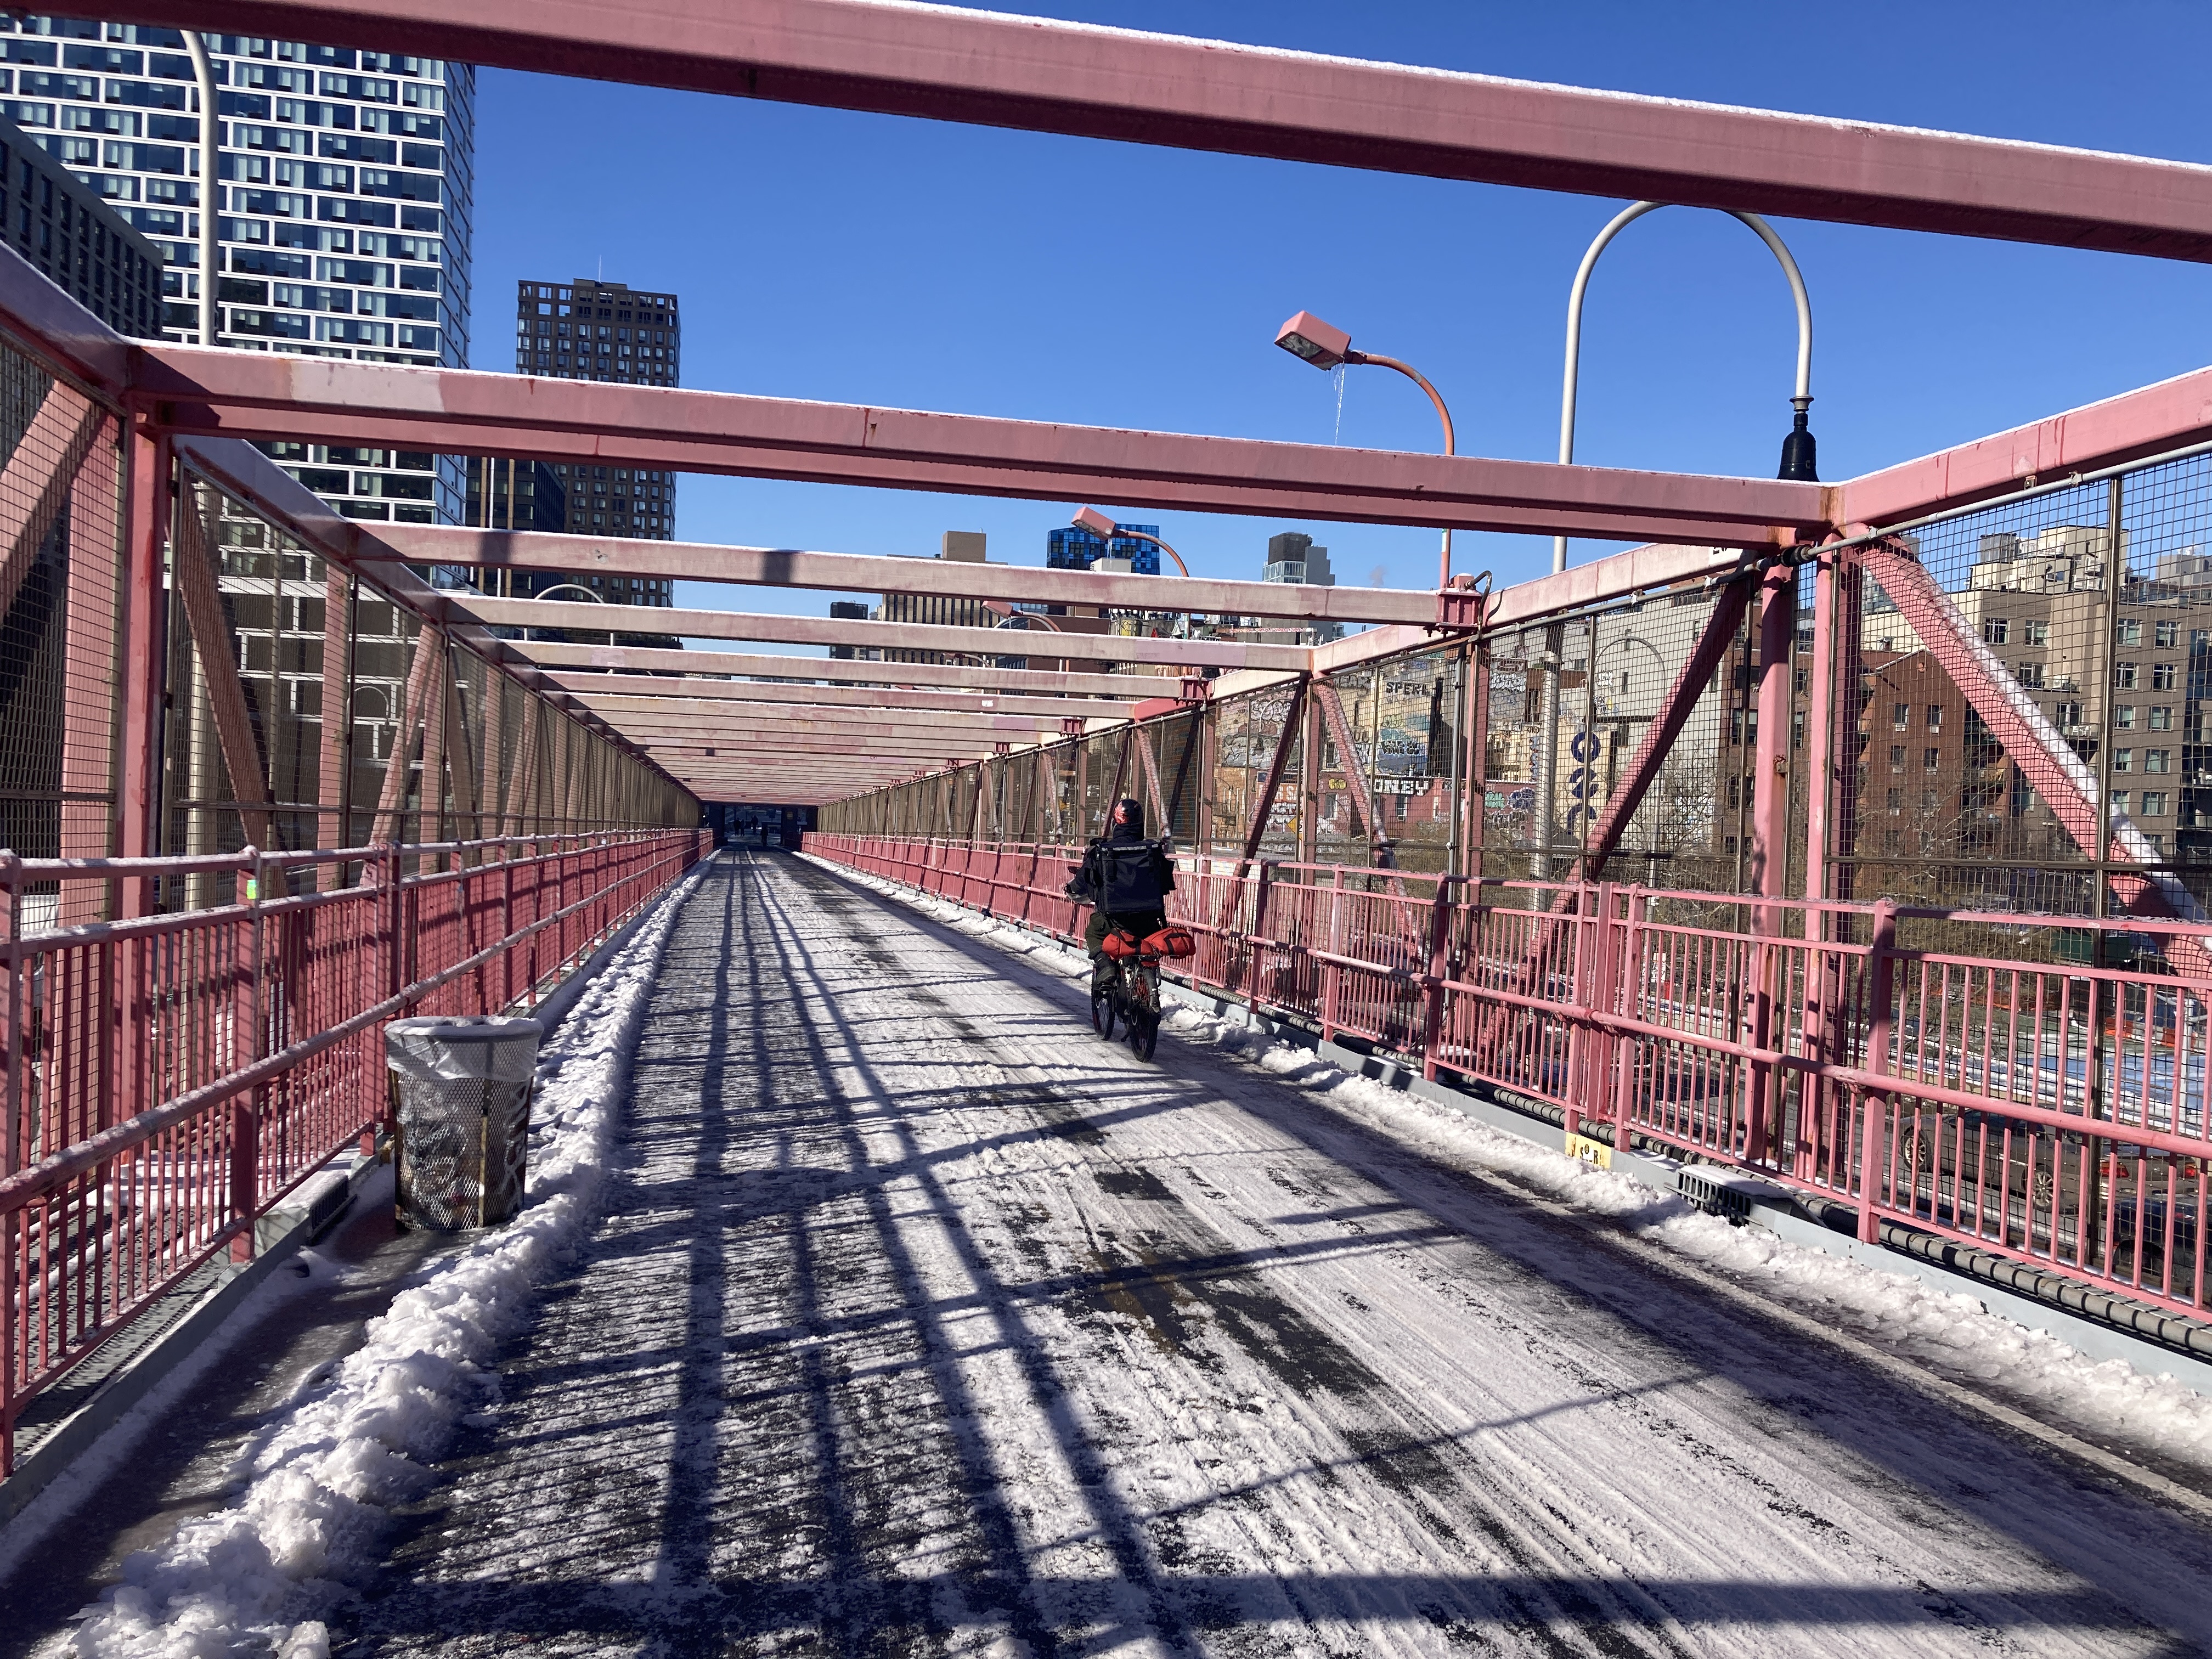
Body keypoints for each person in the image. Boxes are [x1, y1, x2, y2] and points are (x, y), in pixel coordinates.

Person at [1070, 798, 1176, 995]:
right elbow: (1167, 884)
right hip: (1148, 921)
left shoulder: (1101, 851)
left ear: (1116, 821)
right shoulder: (1152, 850)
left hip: (1114, 921)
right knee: (1148, 939)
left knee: (1094, 932)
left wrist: (1072, 889)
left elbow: (1083, 881)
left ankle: (1106, 966)